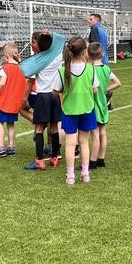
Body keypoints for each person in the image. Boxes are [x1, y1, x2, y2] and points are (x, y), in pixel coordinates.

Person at [55, 37, 99, 185]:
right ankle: (85, 174)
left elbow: (55, 91)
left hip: (69, 110)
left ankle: (71, 176)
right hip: (87, 108)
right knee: (84, 142)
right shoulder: (91, 69)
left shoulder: (62, 71)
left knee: (70, 144)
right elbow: (95, 89)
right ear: (85, 51)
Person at [21, 30, 65, 170]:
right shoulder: (57, 55)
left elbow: (24, 71)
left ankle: (39, 160)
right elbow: (61, 38)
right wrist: (49, 33)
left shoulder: (37, 61)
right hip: (55, 95)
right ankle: (54, 157)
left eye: (34, 42)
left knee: (39, 128)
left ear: (39, 45)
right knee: (53, 127)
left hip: (43, 95)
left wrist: (18, 60)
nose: (31, 45)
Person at [0, 42, 24, 158]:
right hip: (15, 102)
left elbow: (2, 83)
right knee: (11, 124)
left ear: (7, 56)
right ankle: (11, 147)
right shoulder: (21, 68)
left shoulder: (5, 68)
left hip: (4, 102)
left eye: (3, 55)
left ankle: (0, 148)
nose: (3, 57)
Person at [89, 42, 121, 169]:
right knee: (102, 132)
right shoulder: (106, 68)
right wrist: (107, 89)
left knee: (95, 134)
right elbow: (118, 83)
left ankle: (92, 161)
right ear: (102, 54)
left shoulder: (90, 70)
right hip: (103, 103)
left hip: (93, 103)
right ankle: (101, 158)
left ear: (88, 55)